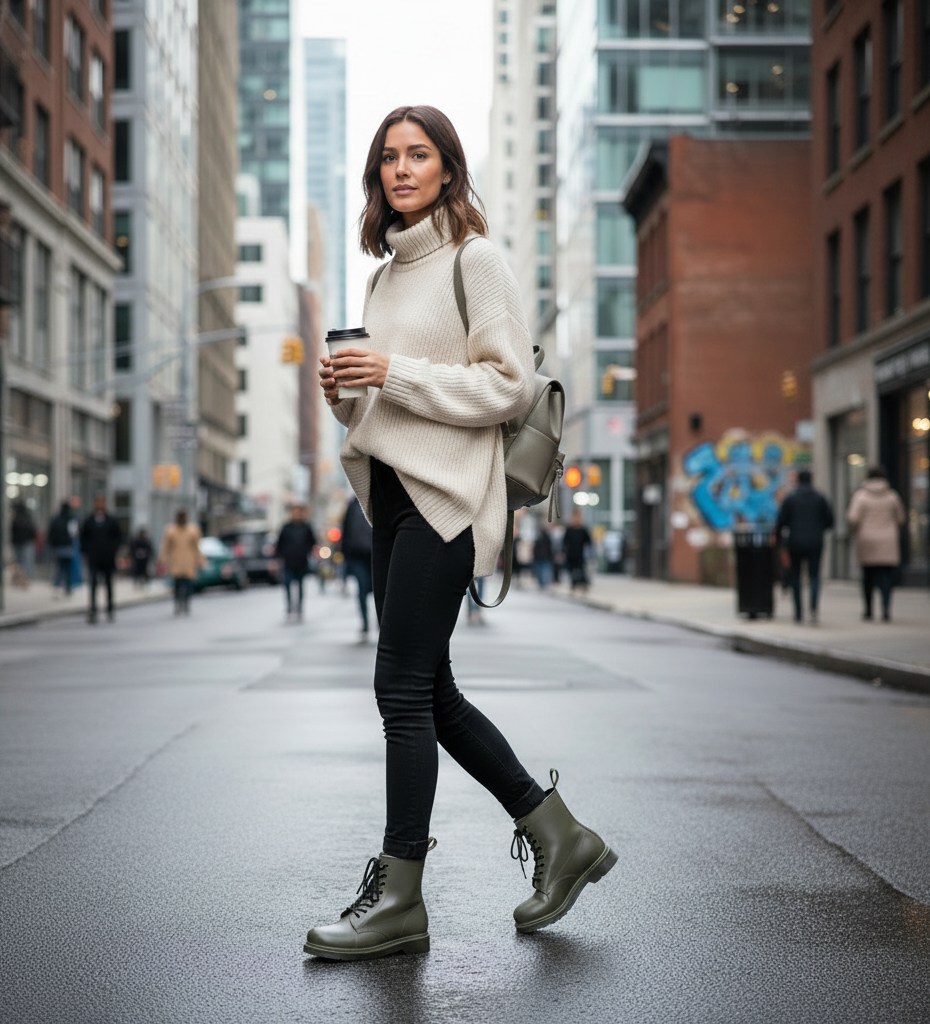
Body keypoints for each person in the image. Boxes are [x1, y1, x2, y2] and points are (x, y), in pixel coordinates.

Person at [307, 105, 617, 962]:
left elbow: (507, 387)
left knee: (400, 690)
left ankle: (400, 896)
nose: (402, 168)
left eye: (420, 154)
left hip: (447, 498)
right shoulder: (382, 279)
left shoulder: (475, 260)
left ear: (448, 167)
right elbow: (382, 407)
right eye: (389, 157)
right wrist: (344, 393)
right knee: (430, 690)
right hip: (391, 496)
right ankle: (561, 836)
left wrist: (392, 369)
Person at [846, 465, 906, 622]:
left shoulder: (861, 496)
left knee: (868, 577)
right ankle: (886, 608)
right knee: (886, 577)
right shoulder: (892, 496)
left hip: (867, 539)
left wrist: (855, 530)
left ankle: (868, 610)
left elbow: (853, 518)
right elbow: (901, 518)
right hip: (888, 539)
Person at [775, 468, 835, 623]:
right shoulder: (820, 498)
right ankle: (813, 609)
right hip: (815, 542)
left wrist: (779, 540)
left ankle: (798, 612)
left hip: (795, 542)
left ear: (798, 480)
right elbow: (830, 521)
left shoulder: (791, 498)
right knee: (814, 575)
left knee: (795, 576)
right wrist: (818, 529)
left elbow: (781, 521)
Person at [80, 493, 122, 623]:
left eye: (101, 502)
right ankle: (93, 608)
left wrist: (113, 549)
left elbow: (118, 537)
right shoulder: (89, 521)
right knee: (93, 584)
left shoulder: (111, 521)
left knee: (108, 584)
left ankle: (110, 607)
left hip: (108, 558)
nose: (99, 505)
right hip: (94, 558)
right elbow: (83, 538)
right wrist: (86, 551)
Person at [275, 504, 317, 622]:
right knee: (288, 585)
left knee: (300, 587)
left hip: (301, 562)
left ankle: (299, 609)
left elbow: (312, 542)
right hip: (288, 562)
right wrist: (279, 557)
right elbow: (279, 544)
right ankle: (289, 608)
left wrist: (308, 552)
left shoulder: (306, 527)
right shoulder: (286, 528)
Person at [158, 510, 205, 615]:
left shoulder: (192, 530)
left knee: (188, 584)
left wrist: (200, 560)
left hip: (189, 561)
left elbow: (196, 547)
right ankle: (178, 603)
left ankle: (186, 602)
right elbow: (166, 547)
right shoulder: (171, 531)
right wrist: (162, 559)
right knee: (177, 584)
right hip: (176, 561)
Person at [341, 495, 374, 641]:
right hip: (357, 556)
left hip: (375, 554)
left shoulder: (376, 499)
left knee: (380, 590)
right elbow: (346, 528)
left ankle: (381, 622)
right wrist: (346, 554)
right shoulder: (352, 505)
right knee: (362, 588)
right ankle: (365, 623)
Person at [47, 501, 76, 596]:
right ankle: (68, 588)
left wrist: (53, 545)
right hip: (67, 546)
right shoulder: (71, 519)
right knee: (67, 568)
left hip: (58, 547)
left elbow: (51, 534)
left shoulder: (56, 519)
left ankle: (57, 586)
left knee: (60, 568)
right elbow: (74, 533)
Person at [562, 509, 592, 591]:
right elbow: (564, 542)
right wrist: (563, 552)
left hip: (580, 554)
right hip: (570, 554)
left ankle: (583, 583)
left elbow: (588, 542)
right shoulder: (569, 529)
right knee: (571, 570)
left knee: (581, 570)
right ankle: (574, 583)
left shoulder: (583, 529)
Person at [10, 500, 37, 588]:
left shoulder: (16, 519)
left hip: (21, 543)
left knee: (20, 563)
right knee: (26, 563)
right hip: (25, 542)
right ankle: (25, 579)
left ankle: (21, 580)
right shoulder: (27, 518)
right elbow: (33, 531)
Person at [532, 524, 554, 589]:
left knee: (541, 570)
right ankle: (543, 583)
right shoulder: (547, 537)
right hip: (544, 556)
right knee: (544, 570)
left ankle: (542, 583)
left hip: (540, 556)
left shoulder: (538, 537)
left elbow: (535, 548)